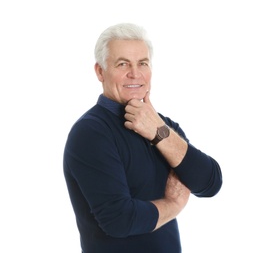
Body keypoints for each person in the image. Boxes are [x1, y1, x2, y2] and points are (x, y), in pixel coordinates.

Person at [63, 23, 222, 253]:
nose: (135, 74)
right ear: (100, 71)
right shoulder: (90, 133)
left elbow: (210, 183)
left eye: (143, 63)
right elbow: (120, 220)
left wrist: (159, 131)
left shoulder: (162, 125)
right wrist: (173, 204)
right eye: (122, 64)